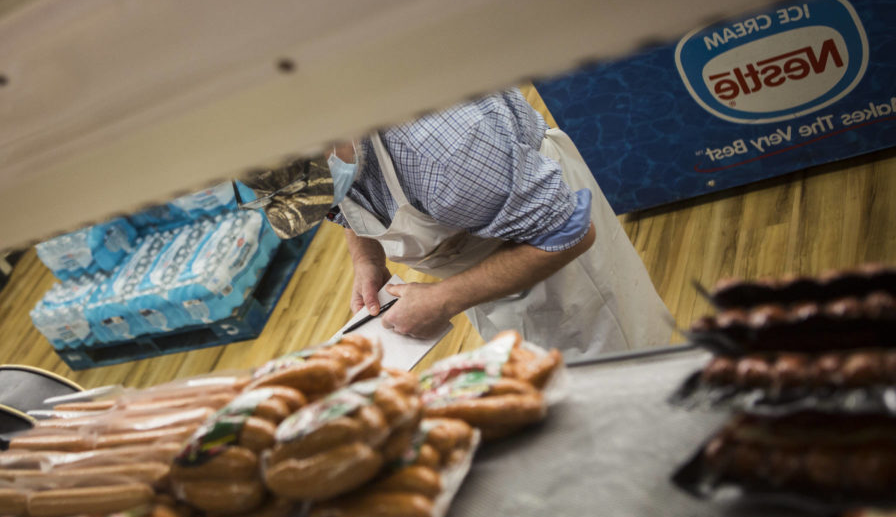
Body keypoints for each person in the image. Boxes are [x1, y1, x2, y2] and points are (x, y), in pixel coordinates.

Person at [239, 88, 672, 358]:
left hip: (555, 255)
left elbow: (570, 233)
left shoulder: (446, 154)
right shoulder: (335, 152)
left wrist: (444, 299)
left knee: (620, 369)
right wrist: (366, 259)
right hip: (478, 255)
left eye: (320, 184)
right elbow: (341, 194)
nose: (327, 197)